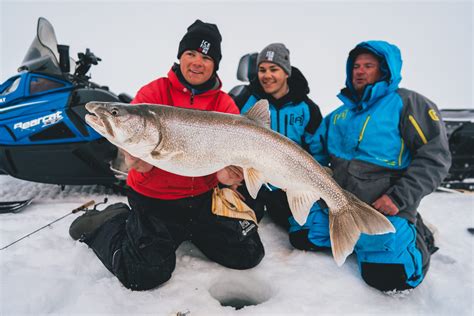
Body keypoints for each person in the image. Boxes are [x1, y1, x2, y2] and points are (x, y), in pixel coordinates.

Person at [69, 19, 265, 291]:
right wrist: (135, 161)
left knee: (248, 254)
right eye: (191, 54)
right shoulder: (153, 94)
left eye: (206, 57)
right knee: (143, 274)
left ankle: (192, 232)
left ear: (215, 64)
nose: (197, 62)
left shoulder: (224, 105)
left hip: (202, 201)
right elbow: (136, 155)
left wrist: (229, 175)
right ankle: (107, 222)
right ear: (180, 56)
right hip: (155, 201)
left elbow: (226, 168)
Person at [289, 40, 451, 292]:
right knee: (301, 235)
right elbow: (315, 155)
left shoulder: (408, 104)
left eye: (368, 66)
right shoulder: (338, 115)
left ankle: (418, 237)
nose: (360, 71)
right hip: (339, 206)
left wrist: (397, 198)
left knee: (388, 277)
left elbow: (434, 158)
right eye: (355, 66)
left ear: (385, 70)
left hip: (384, 208)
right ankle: (359, 240)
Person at [231, 43, 323, 227]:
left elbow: (318, 152)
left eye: (274, 69)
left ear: (286, 72)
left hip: (288, 183)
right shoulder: (244, 99)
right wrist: (230, 178)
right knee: (237, 227)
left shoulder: (307, 108)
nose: (267, 75)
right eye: (262, 69)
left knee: (302, 236)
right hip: (249, 179)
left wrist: (305, 186)